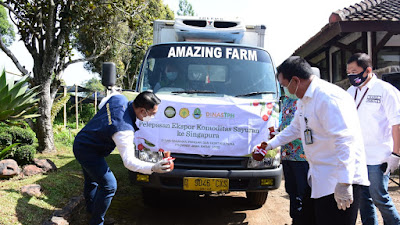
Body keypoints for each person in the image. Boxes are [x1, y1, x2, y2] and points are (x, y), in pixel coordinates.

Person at [258, 56, 369, 225]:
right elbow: (295, 128)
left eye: (283, 85)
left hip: (339, 178)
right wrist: (270, 144)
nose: (284, 90)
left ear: (295, 81)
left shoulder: (328, 98)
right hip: (320, 176)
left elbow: (344, 140)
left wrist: (345, 182)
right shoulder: (304, 100)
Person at [73, 91, 173, 225]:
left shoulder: (118, 98)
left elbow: (102, 104)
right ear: (143, 111)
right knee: (109, 186)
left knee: (93, 181)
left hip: (83, 140)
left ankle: (92, 213)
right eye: (153, 114)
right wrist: (153, 167)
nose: (153, 117)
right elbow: (129, 162)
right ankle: (96, 222)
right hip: (87, 151)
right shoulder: (123, 130)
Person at [346, 53, 400, 225]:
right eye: (348, 72)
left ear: (368, 70)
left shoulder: (385, 90)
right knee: (363, 200)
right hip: (357, 156)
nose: (351, 75)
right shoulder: (350, 92)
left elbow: (396, 124)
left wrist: (396, 154)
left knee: (379, 198)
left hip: (379, 156)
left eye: (354, 71)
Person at [279, 86, 309, 225]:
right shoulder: (285, 100)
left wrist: (283, 136)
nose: (285, 87)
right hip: (287, 154)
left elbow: (300, 129)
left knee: (303, 191)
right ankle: (295, 219)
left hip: (301, 156)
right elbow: (282, 124)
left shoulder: (303, 101)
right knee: (291, 189)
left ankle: (302, 220)